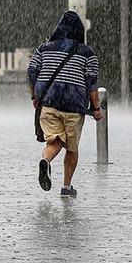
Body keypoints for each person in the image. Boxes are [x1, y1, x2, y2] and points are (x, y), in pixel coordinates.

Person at [28, 11, 103, 197]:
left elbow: (31, 72)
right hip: (74, 107)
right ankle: (66, 187)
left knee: (55, 141)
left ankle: (46, 159)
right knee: (71, 147)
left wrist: (34, 96)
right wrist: (96, 109)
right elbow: (91, 83)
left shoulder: (44, 49)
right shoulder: (87, 53)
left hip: (49, 103)